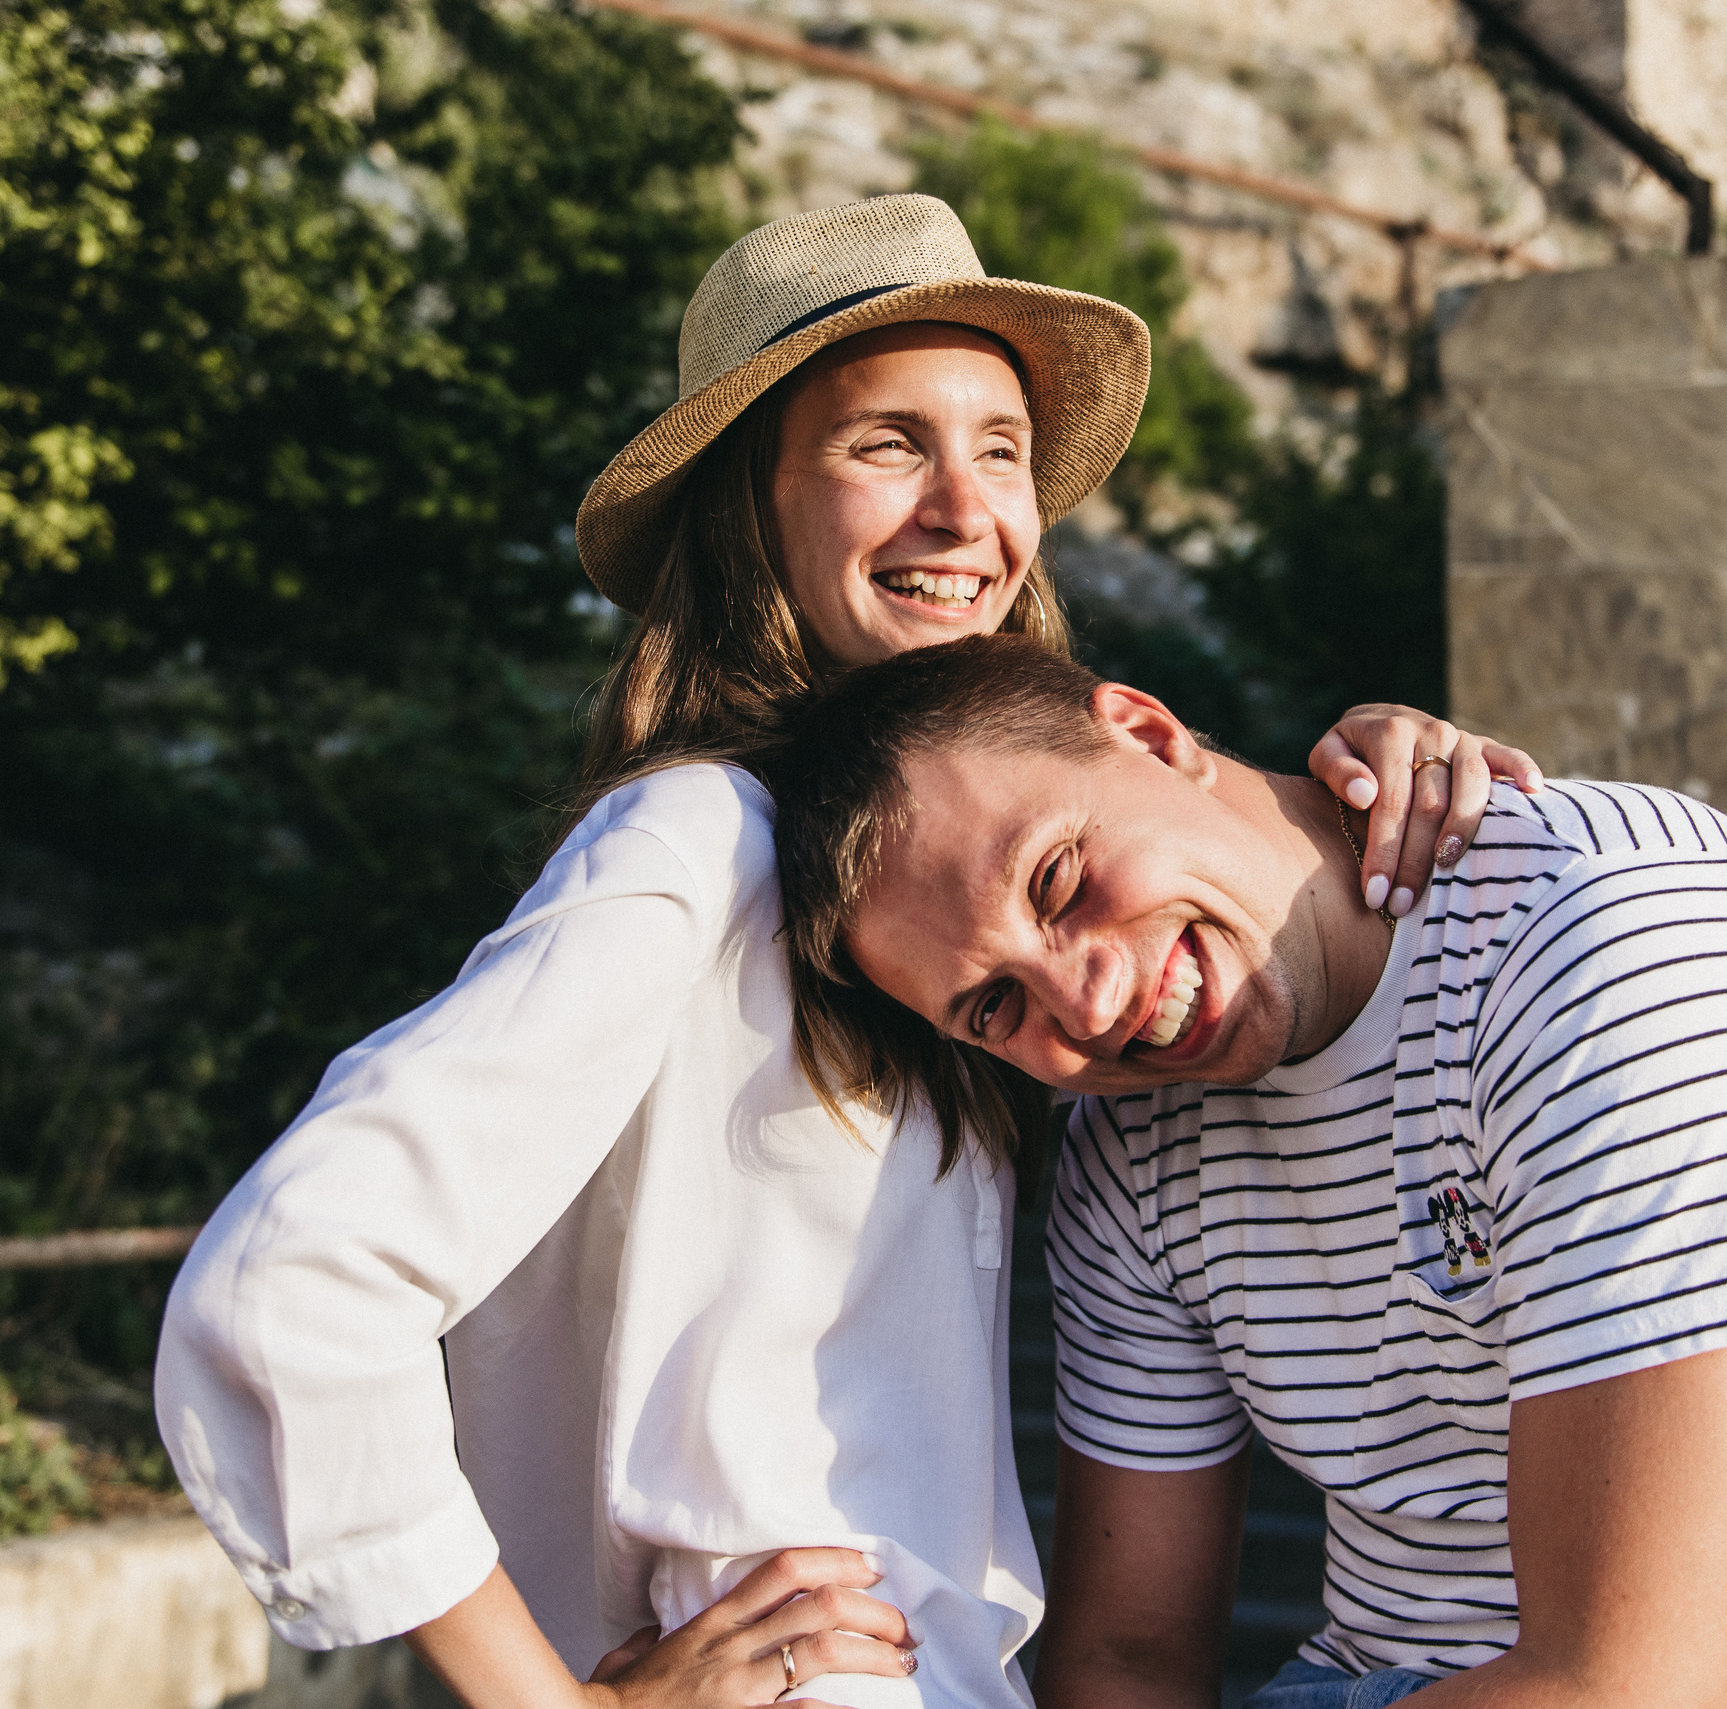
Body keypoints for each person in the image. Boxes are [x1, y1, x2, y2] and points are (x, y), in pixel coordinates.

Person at [153, 193, 1536, 1709]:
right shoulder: (695, 842)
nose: (966, 509)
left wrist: (1348, 800)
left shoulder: (983, 899)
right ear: (754, 504)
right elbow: (293, 1282)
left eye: (1000, 449)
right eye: (887, 444)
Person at [763, 635, 1727, 1709]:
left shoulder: (1626, 958)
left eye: (1060, 880)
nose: (1089, 999)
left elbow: (1635, 1687)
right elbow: (1127, 1657)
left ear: (1152, 734)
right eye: (995, 1006)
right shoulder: (1129, 1151)